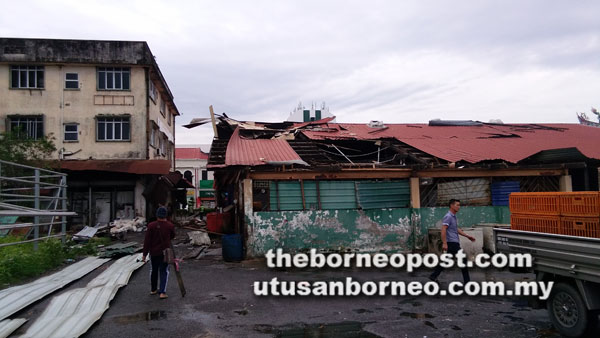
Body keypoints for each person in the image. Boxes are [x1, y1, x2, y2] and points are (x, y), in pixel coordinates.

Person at [429, 199, 476, 284]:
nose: (459, 207)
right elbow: (443, 229)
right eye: (457, 205)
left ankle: (434, 275)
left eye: (459, 205)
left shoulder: (453, 217)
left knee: (447, 260)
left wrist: (467, 236)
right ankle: (467, 281)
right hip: (452, 243)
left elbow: (456, 229)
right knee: (463, 260)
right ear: (451, 205)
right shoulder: (448, 216)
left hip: (454, 242)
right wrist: (444, 243)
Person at [142, 206, 175, 299]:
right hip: (165, 253)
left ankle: (153, 289)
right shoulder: (170, 225)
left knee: (154, 270)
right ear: (166, 215)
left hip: (154, 252)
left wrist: (144, 254)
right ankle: (162, 292)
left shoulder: (151, 226)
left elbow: (147, 241)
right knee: (164, 271)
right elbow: (172, 236)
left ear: (157, 215)